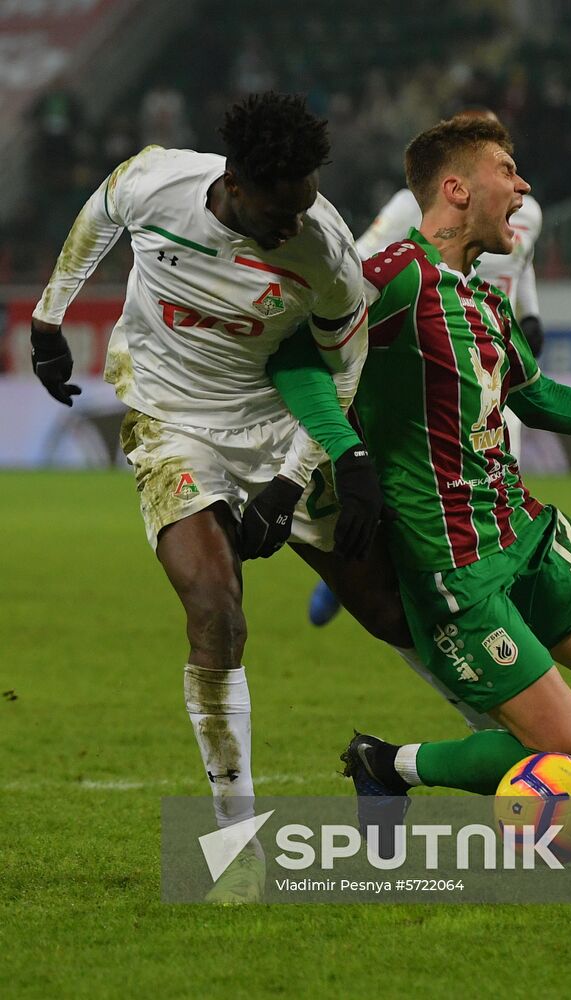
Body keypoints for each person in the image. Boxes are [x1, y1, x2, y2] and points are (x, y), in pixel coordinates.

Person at [263, 115, 571, 872]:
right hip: (454, 565)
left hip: (523, 532)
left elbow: (544, 402)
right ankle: (387, 763)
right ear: (458, 189)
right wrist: (348, 456)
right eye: (508, 167)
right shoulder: (393, 274)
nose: (524, 184)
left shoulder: (484, 301)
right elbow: (297, 360)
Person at [29, 92, 389, 903]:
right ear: (238, 183)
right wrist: (51, 316)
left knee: (390, 611)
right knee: (215, 610)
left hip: (270, 421)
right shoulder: (158, 184)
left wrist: (296, 476)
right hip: (169, 420)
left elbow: (342, 363)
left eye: (306, 201)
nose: (296, 220)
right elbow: (102, 209)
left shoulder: (324, 249)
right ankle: (238, 844)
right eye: (283, 206)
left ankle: (502, 759)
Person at [309, 108, 544, 627]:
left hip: (491, 363)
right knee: (423, 486)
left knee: (501, 488)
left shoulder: (528, 213)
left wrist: (530, 314)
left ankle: (492, 600)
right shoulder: (403, 208)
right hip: (431, 354)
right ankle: (365, 569)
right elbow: (361, 264)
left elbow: (521, 268)